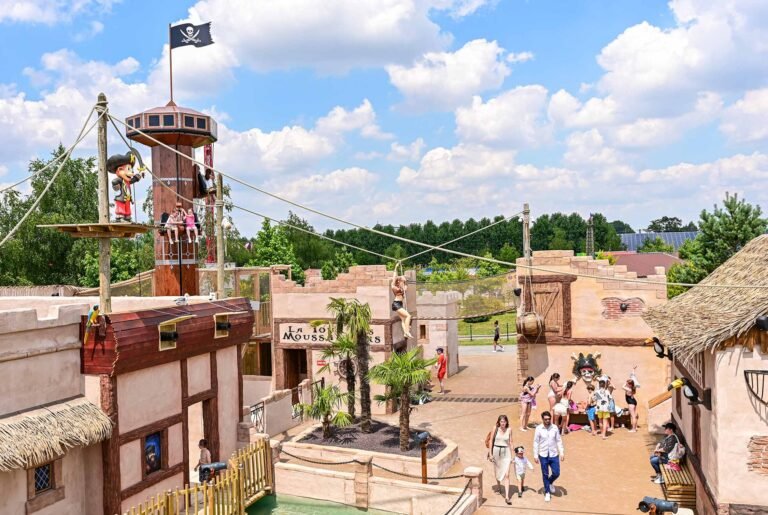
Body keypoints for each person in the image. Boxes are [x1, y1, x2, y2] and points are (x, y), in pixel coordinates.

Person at [533, 411, 564, 502]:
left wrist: (561, 452)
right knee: (545, 474)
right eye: (546, 419)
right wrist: (535, 455)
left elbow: (558, 440)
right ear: (542, 419)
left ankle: (549, 482)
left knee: (556, 473)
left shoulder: (554, 428)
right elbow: (536, 442)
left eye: (549, 419)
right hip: (543, 454)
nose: (547, 421)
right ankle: (547, 492)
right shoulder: (538, 428)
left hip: (554, 454)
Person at [486, 415, 514, 505]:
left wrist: (513, 455)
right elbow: (491, 441)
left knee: (507, 475)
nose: (503, 423)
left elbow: (511, 442)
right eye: (501, 421)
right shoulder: (495, 428)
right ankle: (498, 486)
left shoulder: (509, 430)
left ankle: (507, 497)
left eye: (504, 421)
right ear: (499, 422)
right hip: (496, 451)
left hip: (506, 452)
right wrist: (490, 454)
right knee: (497, 471)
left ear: (506, 422)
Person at [391, 271, 413, 339]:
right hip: (396, 304)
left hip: (400, 304)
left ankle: (405, 333)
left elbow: (406, 286)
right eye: (402, 281)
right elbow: (394, 278)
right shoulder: (394, 287)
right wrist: (396, 268)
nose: (403, 282)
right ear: (399, 281)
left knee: (403, 319)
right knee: (408, 316)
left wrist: (405, 281)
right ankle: (407, 332)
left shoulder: (403, 288)